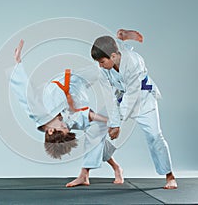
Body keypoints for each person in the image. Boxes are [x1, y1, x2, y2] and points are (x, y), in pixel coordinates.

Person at [11, 39, 124, 186]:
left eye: (63, 127)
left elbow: (24, 92)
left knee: (103, 69)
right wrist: (110, 122)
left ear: (51, 131)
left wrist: (18, 62)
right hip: (77, 98)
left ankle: (91, 173)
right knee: (94, 132)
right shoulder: (67, 123)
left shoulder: (37, 113)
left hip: (72, 80)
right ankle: (108, 169)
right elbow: (87, 116)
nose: (66, 125)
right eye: (67, 128)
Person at [90, 29, 178, 189]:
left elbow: (133, 95)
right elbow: (108, 96)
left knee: (154, 137)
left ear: (113, 57)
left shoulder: (133, 62)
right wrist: (113, 124)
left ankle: (170, 175)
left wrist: (117, 124)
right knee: (97, 129)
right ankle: (106, 167)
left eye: (102, 61)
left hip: (143, 97)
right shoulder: (103, 68)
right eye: (98, 62)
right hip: (121, 95)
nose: (100, 65)